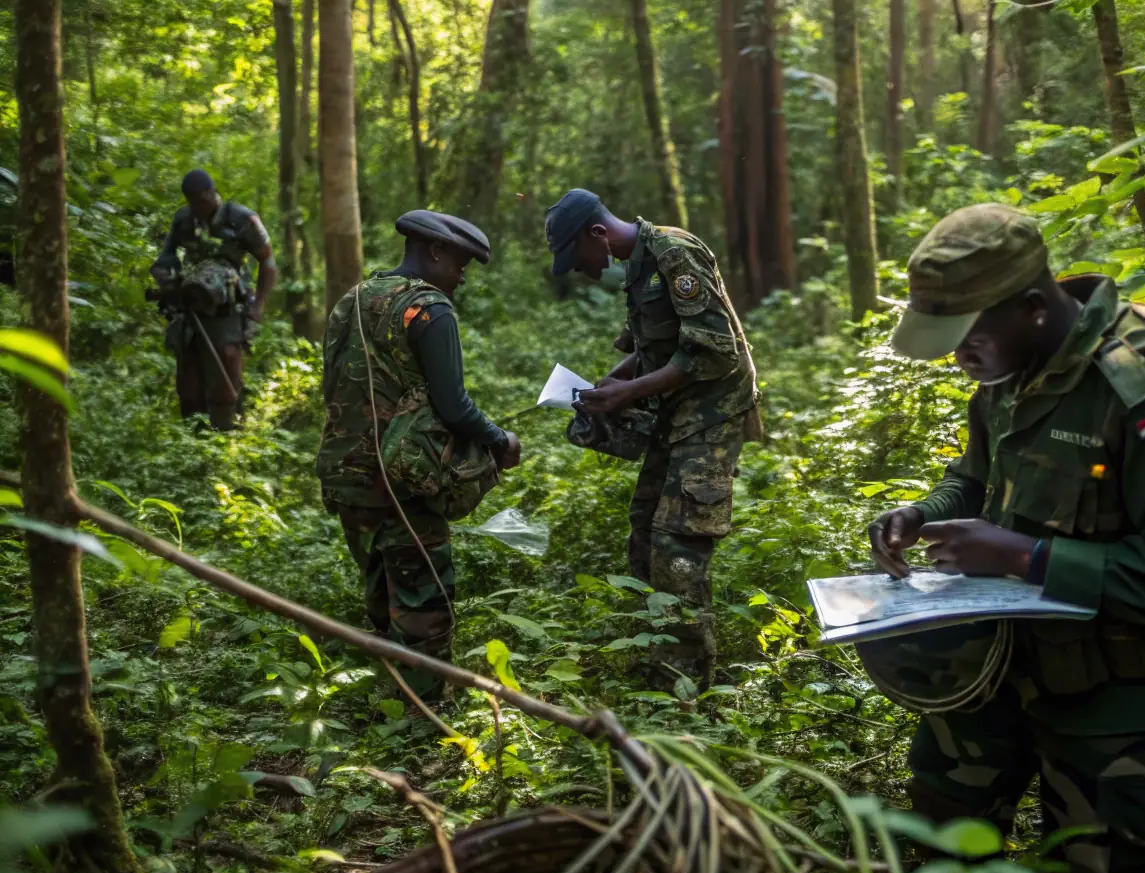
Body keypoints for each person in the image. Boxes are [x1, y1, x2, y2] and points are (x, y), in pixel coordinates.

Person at [862, 204, 1145, 873]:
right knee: (944, 829)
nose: (957, 357)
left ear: (1032, 308)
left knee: (1101, 869)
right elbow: (977, 474)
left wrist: (1023, 556)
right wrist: (922, 514)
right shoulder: (1010, 365)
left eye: (966, 337)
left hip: (1122, 698)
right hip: (1003, 667)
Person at [544, 188, 761, 687]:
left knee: (677, 545)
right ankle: (661, 656)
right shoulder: (639, 264)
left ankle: (687, 685)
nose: (579, 267)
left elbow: (712, 353)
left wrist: (628, 394)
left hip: (710, 417)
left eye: (576, 255)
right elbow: (654, 347)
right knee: (645, 528)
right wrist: (614, 381)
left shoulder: (673, 253)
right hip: (676, 414)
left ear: (597, 234)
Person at [316, 210, 522, 701]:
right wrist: (500, 441)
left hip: (346, 474)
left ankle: (388, 703)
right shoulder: (430, 310)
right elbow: (454, 406)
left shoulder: (354, 298)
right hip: (402, 481)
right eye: (461, 263)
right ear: (434, 251)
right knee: (424, 600)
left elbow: (330, 386)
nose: (463, 275)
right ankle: (422, 716)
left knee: (380, 592)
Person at [150, 169, 276, 430]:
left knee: (226, 365)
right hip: (190, 305)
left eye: (201, 200)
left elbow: (268, 261)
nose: (197, 206)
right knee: (189, 374)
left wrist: (258, 307)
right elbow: (167, 256)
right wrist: (165, 275)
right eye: (192, 201)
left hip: (229, 307)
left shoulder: (241, 219)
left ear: (212, 193)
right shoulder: (183, 220)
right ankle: (194, 435)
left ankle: (228, 430)